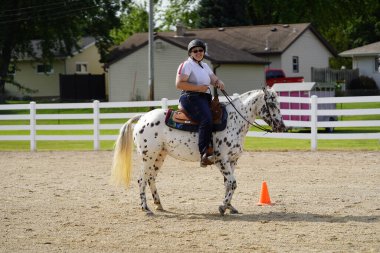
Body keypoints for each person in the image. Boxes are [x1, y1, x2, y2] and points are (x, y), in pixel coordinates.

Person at [175, 39, 225, 167]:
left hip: (204, 98)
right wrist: (198, 88)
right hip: (190, 98)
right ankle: (204, 154)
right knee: (206, 118)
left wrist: (218, 82)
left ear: (203, 52)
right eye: (195, 51)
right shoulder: (187, 65)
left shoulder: (205, 65)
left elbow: (213, 79)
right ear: (190, 53)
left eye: (201, 50)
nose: (198, 52)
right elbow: (179, 84)